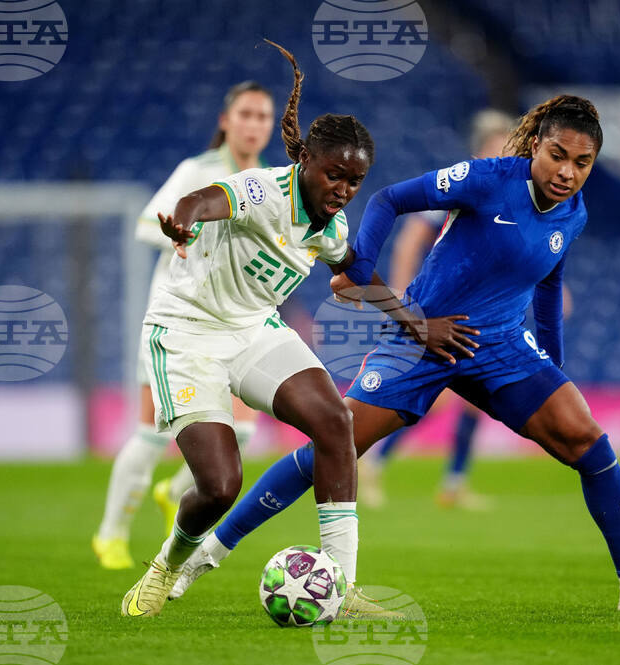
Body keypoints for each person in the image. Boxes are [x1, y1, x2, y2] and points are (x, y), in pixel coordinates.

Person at [170, 95, 620, 613]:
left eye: (582, 163)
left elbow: (549, 279)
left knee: (588, 441)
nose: (568, 172)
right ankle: (209, 553)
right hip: (422, 336)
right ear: (537, 146)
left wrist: (553, 361)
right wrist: (362, 272)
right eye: (558, 156)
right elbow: (388, 200)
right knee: (334, 447)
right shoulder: (489, 179)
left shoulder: (575, 212)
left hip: (498, 346)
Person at [121, 41, 441, 618]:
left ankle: (339, 588)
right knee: (220, 485)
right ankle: (168, 562)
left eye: (354, 180)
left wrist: (415, 322)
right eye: (333, 175)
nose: (343, 189)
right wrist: (185, 221)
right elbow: (205, 198)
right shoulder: (262, 190)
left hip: (252, 331)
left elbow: (350, 276)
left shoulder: (330, 226)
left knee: (335, 421)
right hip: (187, 333)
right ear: (305, 165)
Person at [92, 81, 275, 570]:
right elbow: (145, 224)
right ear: (226, 120)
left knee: (240, 429)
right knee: (152, 435)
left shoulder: (265, 183)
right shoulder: (199, 172)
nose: (255, 125)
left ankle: (175, 491)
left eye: (263, 117)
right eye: (246, 114)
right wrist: (188, 230)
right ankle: (110, 534)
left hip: (233, 323)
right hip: (176, 323)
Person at [360, 110, 517, 511]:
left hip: (479, 309)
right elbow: (411, 238)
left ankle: (452, 482)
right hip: (439, 307)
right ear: (482, 148)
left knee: (468, 399)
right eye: (501, 145)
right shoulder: (463, 182)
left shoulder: (510, 190)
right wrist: (400, 299)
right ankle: (372, 463)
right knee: (437, 395)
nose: (507, 154)